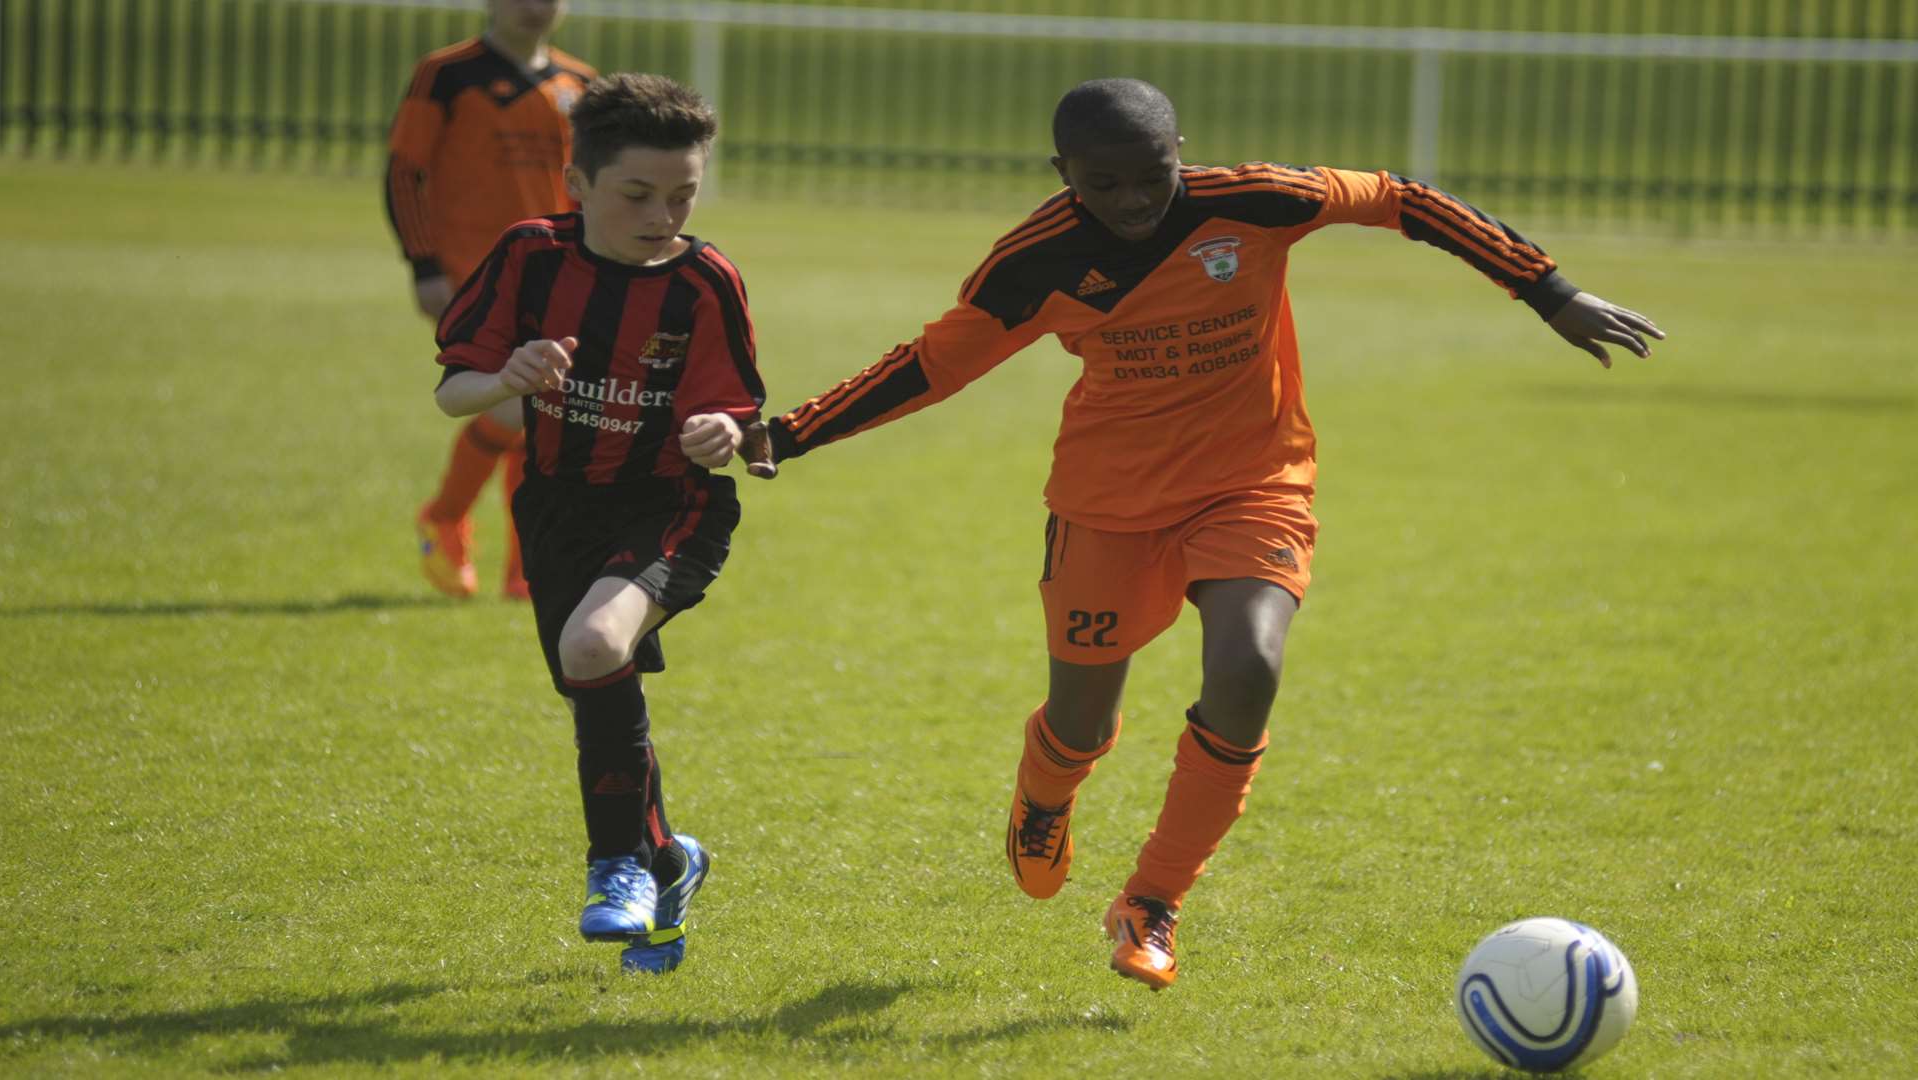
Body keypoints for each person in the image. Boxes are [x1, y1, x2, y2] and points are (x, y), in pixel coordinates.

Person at [746, 78, 1663, 989]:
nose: (1136, 201)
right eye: (1105, 185)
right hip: (1106, 509)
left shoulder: (1256, 201)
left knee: (1248, 668)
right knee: (1081, 722)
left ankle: (1152, 900)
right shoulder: (1035, 262)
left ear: (1179, 151)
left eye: (1154, 176)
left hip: (1253, 483)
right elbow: (932, 366)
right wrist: (792, 433)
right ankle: (1045, 796)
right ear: (1062, 172)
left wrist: (1548, 289)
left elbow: (1400, 198)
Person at [432, 73, 768, 974]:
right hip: (554, 510)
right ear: (577, 185)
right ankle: (668, 860)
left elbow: (739, 417)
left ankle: (614, 867)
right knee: (592, 680)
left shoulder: (705, 282)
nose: (664, 214)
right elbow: (452, 391)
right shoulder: (529, 257)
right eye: (638, 194)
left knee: (591, 646)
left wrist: (722, 430)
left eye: (683, 194)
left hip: (672, 506)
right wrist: (506, 378)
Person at [387, 0, 595, 599]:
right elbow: (405, 172)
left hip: (558, 274)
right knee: (517, 403)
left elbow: (594, 186)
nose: (535, 7)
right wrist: (424, 264)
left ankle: (521, 567)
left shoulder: (580, 83)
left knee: (542, 413)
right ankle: (449, 517)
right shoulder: (447, 74)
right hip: (475, 276)